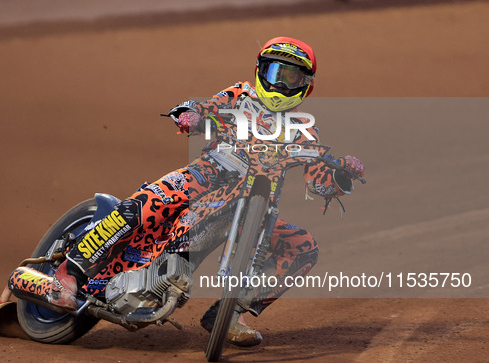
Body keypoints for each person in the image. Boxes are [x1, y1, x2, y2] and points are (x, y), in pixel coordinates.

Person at [48, 37, 364, 347]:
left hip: (255, 202)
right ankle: (68, 271)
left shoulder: (305, 130)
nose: (280, 83)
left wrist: (341, 174)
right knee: (147, 203)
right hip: (207, 175)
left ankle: (229, 314)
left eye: (290, 76)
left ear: (305, 85)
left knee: (302, 247)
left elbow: (318, 182)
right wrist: (191, 114)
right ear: (260, 70)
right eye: (274, 73)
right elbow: (205, 104)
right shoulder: (240, 95)